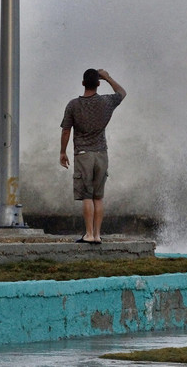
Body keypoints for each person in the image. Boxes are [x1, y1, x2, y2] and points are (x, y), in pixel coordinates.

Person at [59, 68, 126, 244]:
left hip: (83, 154)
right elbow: (122, 92)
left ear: (82, 83)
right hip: (101, 155)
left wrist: (62, 151)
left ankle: (88, 234)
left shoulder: (73, 105)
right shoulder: (106, 102)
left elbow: (66, 130)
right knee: (98, 197)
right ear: (98, 83)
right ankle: (97, 235)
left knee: (87, 196)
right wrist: (108, 77)